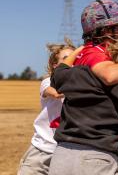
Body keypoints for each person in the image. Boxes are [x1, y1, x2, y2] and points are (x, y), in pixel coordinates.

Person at [48, 36, 118, 175]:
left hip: (63, 155)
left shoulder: (83, 74)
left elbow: (59, 74)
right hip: (99, 159)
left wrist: (81, 50)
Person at [17, 40, 75, 175]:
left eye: (75, 57)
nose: (72, 61)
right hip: (41, 151)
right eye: (66, 58)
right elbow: (55, 94)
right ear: (55, 66)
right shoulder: (48, 82)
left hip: (66, 154)